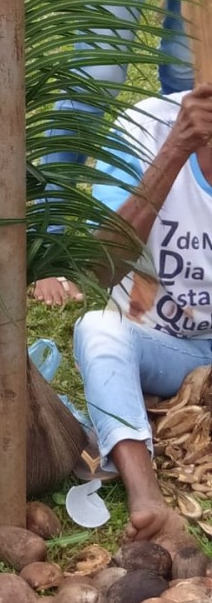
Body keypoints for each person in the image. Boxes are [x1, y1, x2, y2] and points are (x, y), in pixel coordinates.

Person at [73, 85, 212, 548]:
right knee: (99, 330)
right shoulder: (146, 125)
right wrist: (176, 149)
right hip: (160, 344)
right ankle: (145, 494)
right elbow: (101, 267)